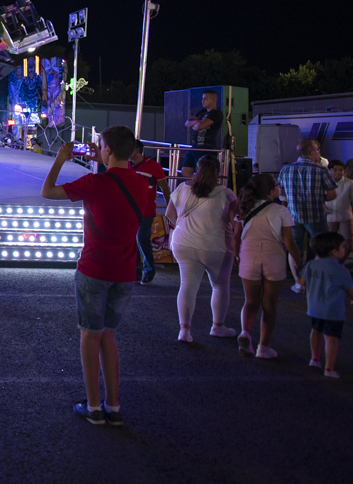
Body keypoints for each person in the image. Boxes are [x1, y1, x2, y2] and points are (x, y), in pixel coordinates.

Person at [40, 126, 148, 426]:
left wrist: (61, 159)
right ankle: (113, 405)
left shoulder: (94, 183)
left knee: (90, 335)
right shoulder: (141, 183)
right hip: (125, 272)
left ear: (108, 150)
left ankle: (92, 406)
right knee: (108, 335)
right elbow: (119, 180)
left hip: (95, 269)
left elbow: (47, 191)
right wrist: (105, 157)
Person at [165, 155, 239, 342]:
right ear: (218, 172)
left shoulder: (182, 188)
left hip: (183, 243)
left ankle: (185, 330)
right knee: (220, 286)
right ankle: (217, 327)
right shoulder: (227, 193)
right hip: (216, 247)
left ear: (197, 169)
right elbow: (236, 223)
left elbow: (169, 214)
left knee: (187, 285)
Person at [232, 174, 304, 359]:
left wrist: (237, 255)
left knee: (250, 301)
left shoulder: (245, 207)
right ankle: (263, 347)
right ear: (271, 191)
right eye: (277, 186)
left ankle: (245, 332)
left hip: (249, 255)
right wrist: (299, 262)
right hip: (273, 257)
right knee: (269, 305)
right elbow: (289, 242)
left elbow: (236, 236)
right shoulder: (281, 211)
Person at [278, 139, 338, 290]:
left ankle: (298, 282)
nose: (319, 153)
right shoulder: (321, 170)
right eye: (318, 150)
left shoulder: (286, 169)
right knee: (319, 247)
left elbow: (282, 195)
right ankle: (314, 281)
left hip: (293, 216)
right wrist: (319, 197)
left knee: (294, 249)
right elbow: (332, 194)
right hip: (316, 216)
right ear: (312, 153)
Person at [300, 231, 353, 378]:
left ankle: (315, 359)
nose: (345, 249)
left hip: (314, 308)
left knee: (316, 331)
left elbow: (302, 282)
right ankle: (329, 368)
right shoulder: (341, 270)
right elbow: (351, 290)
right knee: (331, 338)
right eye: (343, 247)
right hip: (333, 311)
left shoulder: (311, 265)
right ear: (334, 251)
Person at [129, 141, 170, 284]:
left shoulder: (153, 166)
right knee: (131, 240)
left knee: (142, 238)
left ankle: (149, 270)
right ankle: (135, 273)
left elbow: (165, 187)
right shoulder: (126, 165)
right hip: (130, 209)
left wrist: (169, 206)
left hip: (147, 209)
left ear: (137, 150)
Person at [325, 160, 353, 270]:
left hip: (345, 215)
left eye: (341, 170)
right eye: (335, 170)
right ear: (330, 170)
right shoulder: (325, 182)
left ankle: (339, 263)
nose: (338, 172)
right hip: (329, 216)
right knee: (329, 243)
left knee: (348, 243)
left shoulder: (349, 183)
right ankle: (330, 264)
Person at [182, 90, 223, 177]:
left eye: (205, 99)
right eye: (202, 99)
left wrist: (199, 123)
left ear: (213, 100)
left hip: (206, 146)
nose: (202, 101)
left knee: (203, 171)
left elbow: (199, 126)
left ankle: (202, 183)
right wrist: (199, 121)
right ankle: (197, 182)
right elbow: (187, 123)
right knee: (185, 171)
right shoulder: (202, 111)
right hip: (195, 146)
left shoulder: (216, 113)